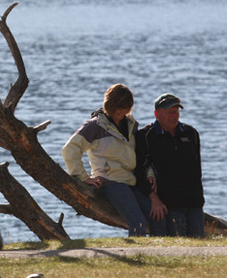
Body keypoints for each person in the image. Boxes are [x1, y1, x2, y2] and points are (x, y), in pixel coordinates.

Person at [62, 84, 159, 236]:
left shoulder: (131, 125)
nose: (123, 111)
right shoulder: (95, 126)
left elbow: (140, 155)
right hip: (110, 182)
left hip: (132, 181)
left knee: (158, 217)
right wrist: (83, 177)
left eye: (127, 107)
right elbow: (70, 149)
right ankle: (137, 255)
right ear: (110, 105)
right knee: (138, 221)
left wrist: (150, 173)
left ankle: (159, 253)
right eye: (119, 107)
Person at [135, 93, 205, 238]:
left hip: (194, 204)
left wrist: (199, 200)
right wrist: (153, 198)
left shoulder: (191, 133)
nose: (174, 116)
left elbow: (197, 169)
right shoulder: (145, 136)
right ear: (157, 114)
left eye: (176, 111)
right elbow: (139, 172)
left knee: (199, 249)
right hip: (168, 206)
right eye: (169, 112)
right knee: (175, 249)